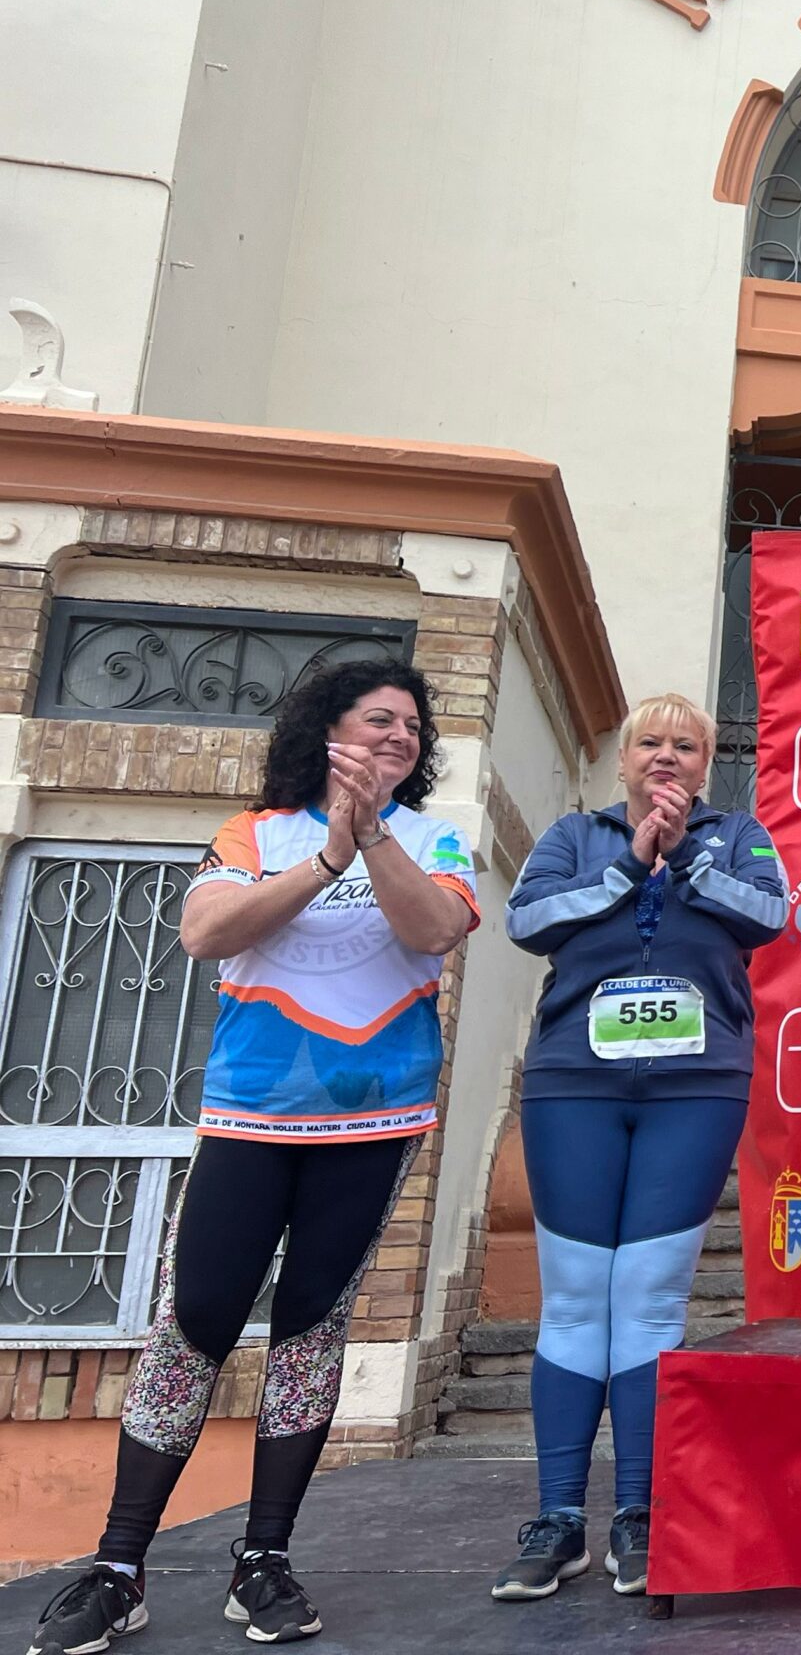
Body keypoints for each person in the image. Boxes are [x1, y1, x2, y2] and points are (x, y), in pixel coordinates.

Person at [25, 664, 477, 1655]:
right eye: (380, 720)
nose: (401, 736)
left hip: (373, 1124)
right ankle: (117, 1567)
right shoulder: (253, 833)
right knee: (194, 1324)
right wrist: (327, 856)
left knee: (310, 1330)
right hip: (249, 1118)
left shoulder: (434, 839)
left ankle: (264, 1559)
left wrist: (373, 838)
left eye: (412, 726)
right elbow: (204, 932)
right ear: (327, 732)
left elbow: (437, 929)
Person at [488, 693, 786, 1604]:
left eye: (685, 746)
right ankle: (557, 1519)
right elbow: (527, 922)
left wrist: (684, 853)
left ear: (706, 764)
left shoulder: (738, 836)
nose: (665, 756)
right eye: (649, 743)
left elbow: (768, 915)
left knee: (651, 1299)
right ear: (621, 762)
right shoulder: (574, 837)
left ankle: (640, 1514)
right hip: (575, 1084)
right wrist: (630, 862)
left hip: (695, 1088)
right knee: (578, 1299)